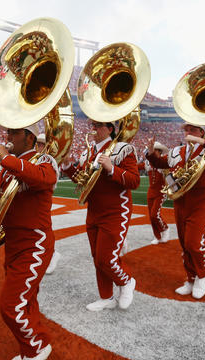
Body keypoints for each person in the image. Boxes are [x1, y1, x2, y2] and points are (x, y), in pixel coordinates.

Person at [0, 123, 56, 360]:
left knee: (10, 305)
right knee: (25, 299)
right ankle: (31, 347)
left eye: (14, 132)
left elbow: (41, 178)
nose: (7, 136)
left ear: (29, 138)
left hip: (36, 244)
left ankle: (38, 346)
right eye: (7, 131)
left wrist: (7, 158)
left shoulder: (44, 161)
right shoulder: (8, 161)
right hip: (14, 244)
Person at [62, 120, 139, 311]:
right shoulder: (88, 153)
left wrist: (112, 168)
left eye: (98, 125)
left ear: (110, 129)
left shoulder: (122, 149)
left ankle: (127, 280)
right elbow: (82, 179)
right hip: (94, 210)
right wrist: (67, 165)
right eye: (92, 125)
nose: (93, 129)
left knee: (106, 258)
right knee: (97, 257)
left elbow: (134, 181)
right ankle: (106, 297)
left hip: (116, 210)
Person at [145, 123, 205, 299]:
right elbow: (160, 162)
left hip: (201, 199)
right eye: (186, 130)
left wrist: (201, 141)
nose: (188, 133)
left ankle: (203, 275)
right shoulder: (177, 151)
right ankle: (190, 278)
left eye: (193, 130)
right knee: (184, 242)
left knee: (193, 242)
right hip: (181, 200)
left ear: (201, 132)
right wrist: (151, 152)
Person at [36, 133, 62, 275]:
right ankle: (47, 254)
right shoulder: (37, 158)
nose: (39, 146)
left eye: (41, 144)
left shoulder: (48, 160)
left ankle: (52, 254)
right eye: (38, 144)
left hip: (42, 198)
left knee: (43, 226)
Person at [138, 142, 170, 245]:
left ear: (160, 152)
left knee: (154, 215)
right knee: (151, 216)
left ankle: (165, 229)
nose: (152, 151)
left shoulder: (164, 162)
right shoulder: (148, 163)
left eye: (155, 150)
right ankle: (157, 236)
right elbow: (137, 166)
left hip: (160, 191)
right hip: (151, 191)